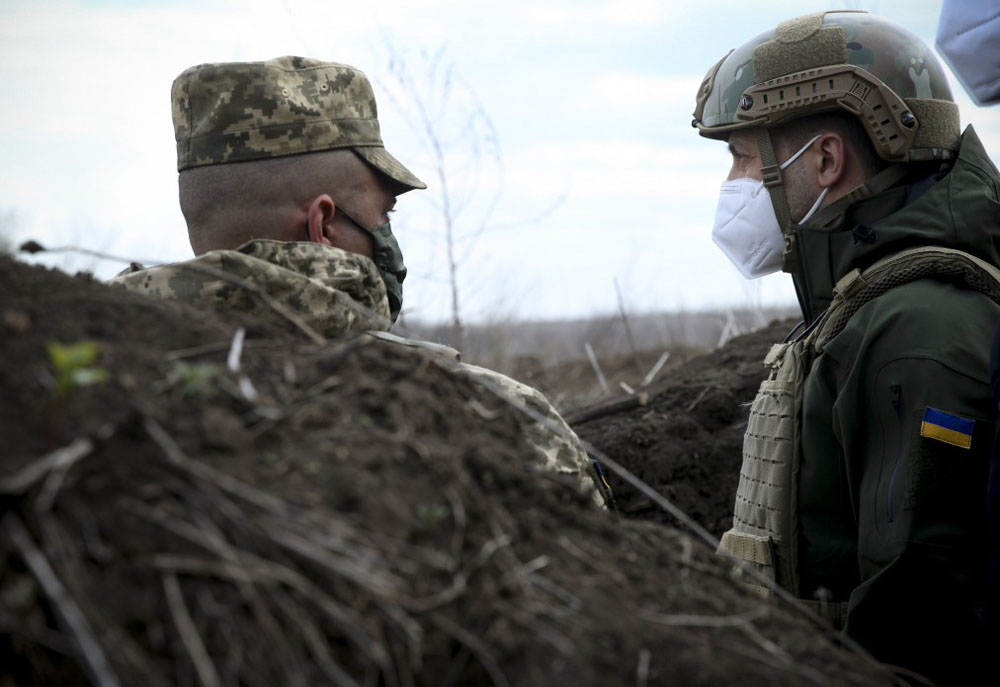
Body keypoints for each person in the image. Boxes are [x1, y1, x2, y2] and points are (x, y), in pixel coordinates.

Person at [110, 56, 609, 508]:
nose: (388, 239)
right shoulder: (491, 417)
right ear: (324, 225)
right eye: (384, 214)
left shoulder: (94, 376)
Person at [693, 11, 1000, 684]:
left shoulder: (919, 331)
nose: (734, 185)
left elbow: (914, 615)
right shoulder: (863, 307)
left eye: (744, 157)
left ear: (826, 161)